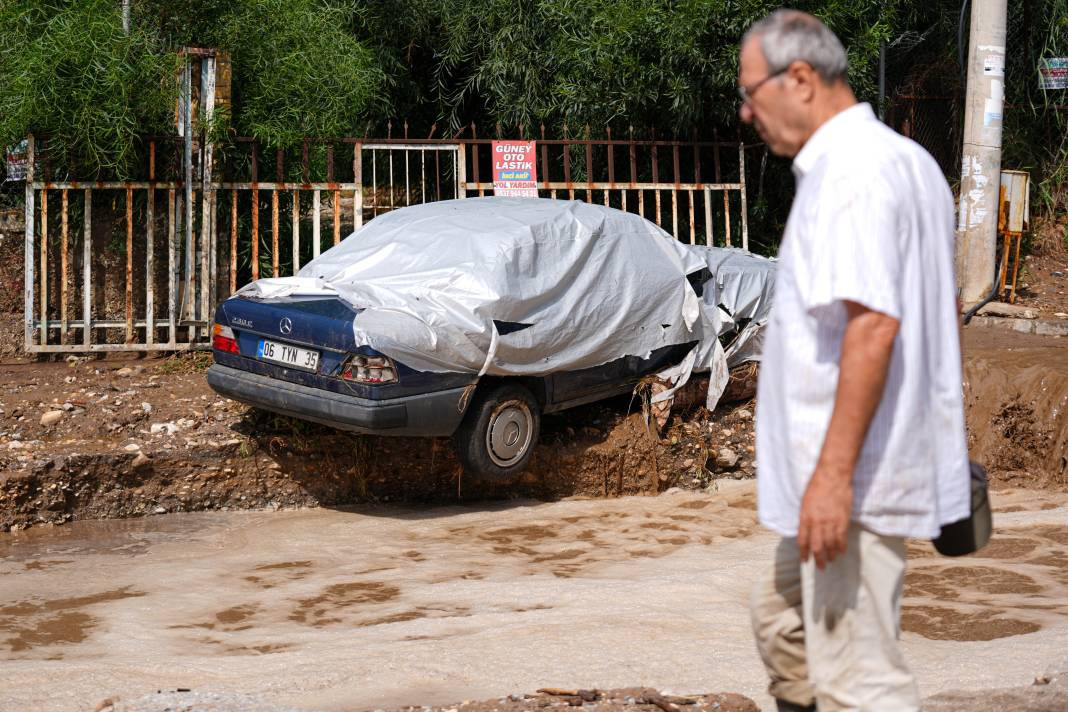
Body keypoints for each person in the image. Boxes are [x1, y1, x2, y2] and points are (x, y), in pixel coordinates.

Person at [738, 10, 971, 712]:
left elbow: (874, 328)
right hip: (852, 470)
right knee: (784, 624)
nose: (746, 112)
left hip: (853, 480)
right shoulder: (898, 160)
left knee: (861, 685)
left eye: (752, 92)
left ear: (800, 78)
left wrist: (834, 480)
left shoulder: (853, 176)